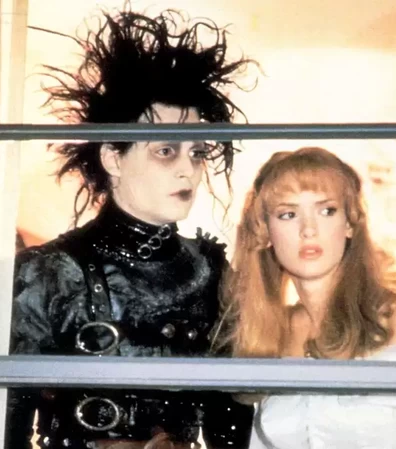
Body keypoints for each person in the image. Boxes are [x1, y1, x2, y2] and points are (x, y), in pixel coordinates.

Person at [7, 6, 258, 449]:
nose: (188, 170)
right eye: (166, 151)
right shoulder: (46, 274)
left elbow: (230, 419)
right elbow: (8, 419)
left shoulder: (211, 271)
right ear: (112, 158)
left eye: (198, 153)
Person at [218, 147, 396, 448]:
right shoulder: (271, 335)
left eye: (326, 210)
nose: (308, 230)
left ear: (350, 223)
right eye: (288, 214)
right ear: (265, 233)